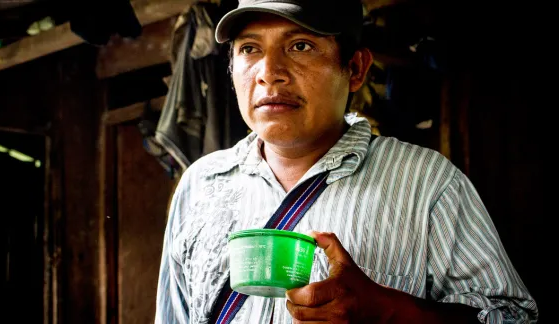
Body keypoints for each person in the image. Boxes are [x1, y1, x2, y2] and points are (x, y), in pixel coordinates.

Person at [154, 0, 538, 323]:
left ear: (355, 69)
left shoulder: (428, 183)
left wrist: (390, 311)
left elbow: (513, 316)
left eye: (300, 46)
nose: (269, 74)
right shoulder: (201, 184)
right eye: (249, 49)